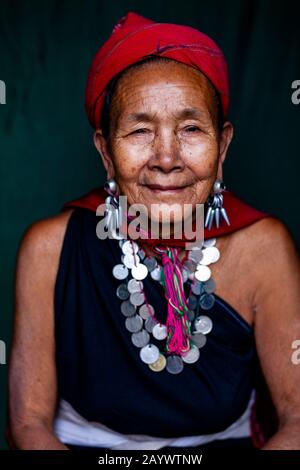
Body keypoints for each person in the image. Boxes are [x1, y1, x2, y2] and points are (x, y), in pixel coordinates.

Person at [7, 11, 300, 450]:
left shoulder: (264, 249)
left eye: (191, 129)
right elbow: (29, 423)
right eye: (141, 130)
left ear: (223, 147)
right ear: (105, 151)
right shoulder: (49, 250)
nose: (166, 158)